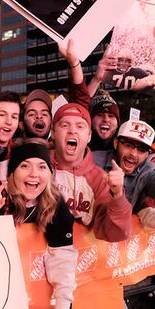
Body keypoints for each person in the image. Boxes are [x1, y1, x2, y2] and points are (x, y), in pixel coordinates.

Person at [0, 140, 77, 309]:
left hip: (36, 307)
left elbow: (63, 261)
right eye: (25, 165)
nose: (34, 174)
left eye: (42, 167)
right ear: (12, 172)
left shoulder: (55, 205)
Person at [49, 103, 131, 241]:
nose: (72, 131)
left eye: (80, 126)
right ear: (53, 133)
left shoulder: (99, 179)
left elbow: (116, 234)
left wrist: (117, 196)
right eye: (64, 125)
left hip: (78, 259)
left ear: (89, 136)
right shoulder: (37, 166)